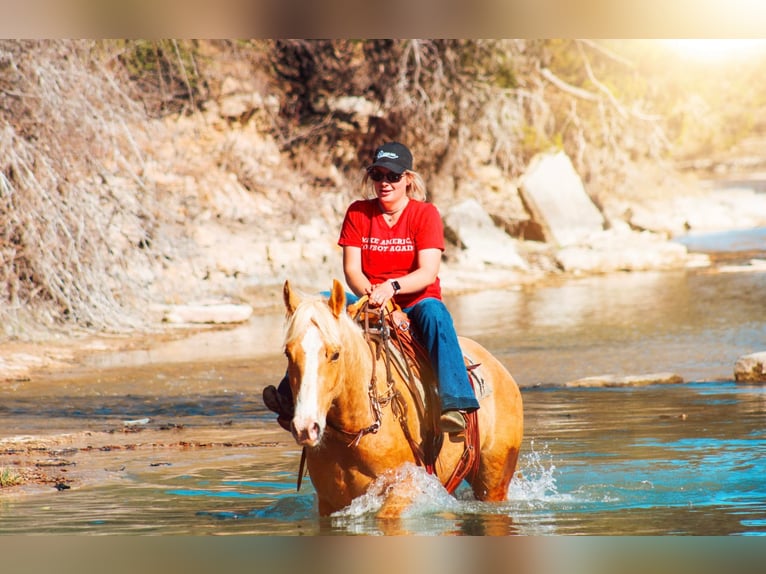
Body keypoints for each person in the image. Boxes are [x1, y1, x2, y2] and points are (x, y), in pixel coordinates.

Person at [263, 141, 479, 433]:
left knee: (437, 315)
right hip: (368, 295)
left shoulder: (425, 214)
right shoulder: (358, 213)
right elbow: (352, 268)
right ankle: (289, 394)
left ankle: (456, 401)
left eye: (393, 176)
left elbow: (428, 272)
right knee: (321, 305)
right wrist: (372, 296)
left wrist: (391, 288)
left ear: (408, 180)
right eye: (378, 175)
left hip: (415, 299)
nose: (385, 183)